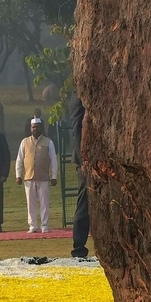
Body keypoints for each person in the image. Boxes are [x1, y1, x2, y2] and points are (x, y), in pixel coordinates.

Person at [15, 117, 58, 234]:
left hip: (43, 178)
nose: (35, 129)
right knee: (31, 203)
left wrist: (54, 176)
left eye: (37, 127)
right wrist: (18, 175)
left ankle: (45, 225)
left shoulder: (48, 142)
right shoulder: (24, 142)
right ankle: (33, 225)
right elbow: (19, 160)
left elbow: (53, 160)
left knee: (44, 203)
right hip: (29, 178)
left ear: (41, 128)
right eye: (33, 127)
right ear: (30, 128)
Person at [68, 93, 90, 258]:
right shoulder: (78, 98)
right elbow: (77, 129)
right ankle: (78, 247)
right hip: (85, 159)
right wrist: (83, 158)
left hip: (92, 158)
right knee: (84, 203)